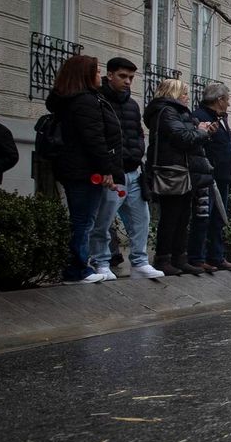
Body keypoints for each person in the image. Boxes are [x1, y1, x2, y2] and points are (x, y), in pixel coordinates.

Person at [46, 55, 122, 283]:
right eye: (97, 71)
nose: (100, 75)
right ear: (86, 75)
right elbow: (94, 139)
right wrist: (106, 169)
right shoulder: (85, 101)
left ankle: (79, 266)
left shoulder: (73, 100)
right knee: (83, 221)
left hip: (76, 168)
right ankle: (77, 269)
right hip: (84, 170)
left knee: (82, 219)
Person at [85, 59, 163, 280]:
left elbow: (137, 132)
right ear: (110, 75)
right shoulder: (98, 100)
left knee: (141, 219)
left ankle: (139, 261)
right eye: (122, 76)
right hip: (112, 173)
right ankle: (100, 261)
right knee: (103, 220)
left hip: (133, 171)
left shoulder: (132, 104)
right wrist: (107, 167)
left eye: (130, 77)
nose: (128, 81)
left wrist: (138, 152)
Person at [145, 79, 215, 277]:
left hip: (184, 170)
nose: (187, 97)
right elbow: (182, 138)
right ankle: (164, 258)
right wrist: (200, 131)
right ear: (174, 94)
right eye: (184, 93)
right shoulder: (167, 112)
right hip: (173, 170)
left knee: (183, 216)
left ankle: (179, 257)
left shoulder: (177, 112)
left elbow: (187, 135)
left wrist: (200, 131)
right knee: (171, 216)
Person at [188, 83, 231, 271]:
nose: (229, 104)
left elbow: (225, 148)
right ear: (219, 100)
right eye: (227, 100)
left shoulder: (221, 118)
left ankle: (217, 256)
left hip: (223, 176)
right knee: (203, 216)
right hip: (208, 176)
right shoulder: (200, 116)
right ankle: (198, 257)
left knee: (219, 218)